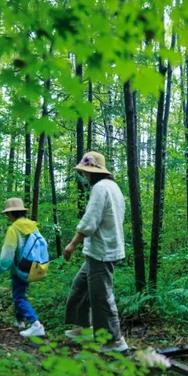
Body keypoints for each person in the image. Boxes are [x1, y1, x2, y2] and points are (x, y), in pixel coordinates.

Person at [63, 151, 128, 353]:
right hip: (99, 250)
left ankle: (114, 340)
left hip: (102, 251)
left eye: (85, 172)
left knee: (101, 296)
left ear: (93, 172)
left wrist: (72, 244)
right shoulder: (113, 187)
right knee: (80, 287)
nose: (84, 176)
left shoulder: (100, 188)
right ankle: (83, 327)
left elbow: (90, 221)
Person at [0, 198, 45, 338]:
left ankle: (35, 324)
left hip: (19, 269)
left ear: (11, 214)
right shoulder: (33, 226)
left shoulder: (13, 229)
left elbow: (7, 257)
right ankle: (20, 322)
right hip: (33, 267)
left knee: (19, 296)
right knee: (20, 292)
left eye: (7, 214)